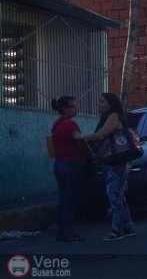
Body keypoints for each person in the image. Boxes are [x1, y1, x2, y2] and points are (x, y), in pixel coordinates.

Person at [81, 93, 135, 241]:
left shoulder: (113, 116)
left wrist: (82, 137)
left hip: (116, 161)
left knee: (114, 196)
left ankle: (117, 229)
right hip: (112, 161)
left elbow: (100, 135)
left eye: (101, 102)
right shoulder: (108, 117)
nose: (98, 104)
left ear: (110, 104)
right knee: (118, 195)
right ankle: (128, 225)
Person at [50, 96, 86, 242]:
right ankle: (69, 232)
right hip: (71, 164)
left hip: (59, 163)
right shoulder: (70, 124)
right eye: (72, 106)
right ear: (64, 109)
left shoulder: (56, 124)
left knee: (63, 199)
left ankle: (61, 232)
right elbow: (79, 140)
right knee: (69, 200)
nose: (75, 109)